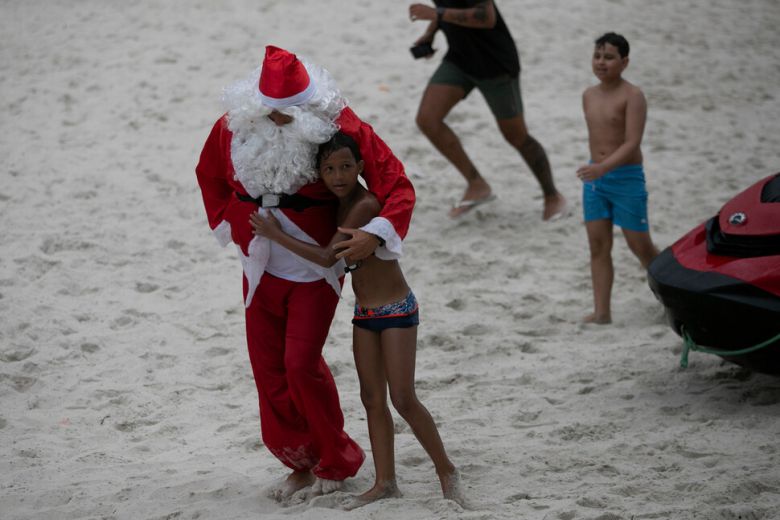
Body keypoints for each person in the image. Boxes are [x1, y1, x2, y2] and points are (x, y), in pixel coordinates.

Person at [195, 45, 416, 499]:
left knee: (299, 366)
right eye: (273, 112)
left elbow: (394, 182)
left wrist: (374, 233)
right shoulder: (233, 126)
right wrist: (231, 226)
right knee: (268, 372)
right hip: (257, 263)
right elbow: (210, 175)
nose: (280, 120)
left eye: (289, 112)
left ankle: (336, 461)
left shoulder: (339, 125)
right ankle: (301, 461)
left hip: (316, 268)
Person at [249, 132, 464, 508]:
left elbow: (325, 257)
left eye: (346, 167)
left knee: (403, 398)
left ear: (360, 167)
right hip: (364, 313)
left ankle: (446, 470)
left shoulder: (364, 204)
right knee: (371, 400)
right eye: (329, 169)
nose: (338, 175)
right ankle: (385, 483)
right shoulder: (336, 203)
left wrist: (274, 234)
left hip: (396, 309)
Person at [408, 0, 567, 219]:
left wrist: (437, 13)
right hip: (460, 59)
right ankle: (477, 184)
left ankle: (552, 196)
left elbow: (486, 16)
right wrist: (431, 32)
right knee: (428, 119)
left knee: (516, 136)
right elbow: (444, 9)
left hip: (495, 65)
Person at [577, 32, 660, 324]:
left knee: (641, 247)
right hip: (595, 181)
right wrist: (596, 170)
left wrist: (603, 167)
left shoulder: (633, 95)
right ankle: (602, 313)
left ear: (624, 62)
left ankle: (674, 299)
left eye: (609, 57)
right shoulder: (588, 94)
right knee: (598, 246)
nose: (601, 62)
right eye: (597, 56)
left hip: (626, 179)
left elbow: (631, 143)